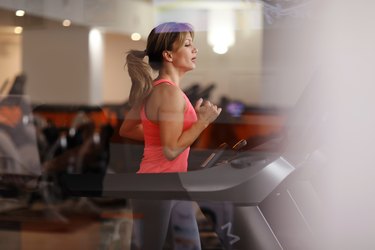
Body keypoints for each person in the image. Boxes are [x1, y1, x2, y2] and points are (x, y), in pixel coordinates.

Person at [119, 22, 222, 250]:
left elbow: (127, 129)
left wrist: (167, 133)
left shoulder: (157, 89)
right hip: (157, 185)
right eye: (187, 44)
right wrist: (203, 121)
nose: (194, 50)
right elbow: (171, 149)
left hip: (170, 183)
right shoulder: (169, 94)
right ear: (168, 55)